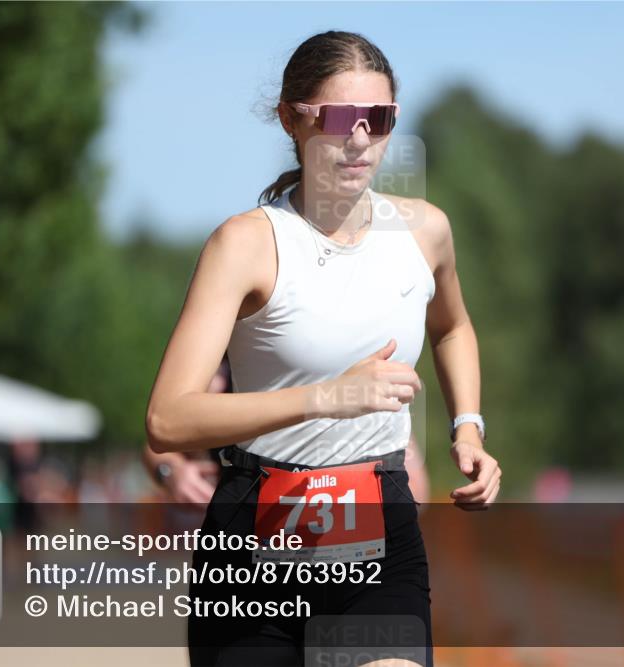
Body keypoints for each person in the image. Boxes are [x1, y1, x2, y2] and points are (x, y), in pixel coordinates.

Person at [146, 30, 500, 667]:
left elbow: (453, 327)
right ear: (292, 117)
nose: (361, 138)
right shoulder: (245, 244)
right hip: (253, 536)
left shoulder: (425, 231)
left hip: (378, 525)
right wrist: (326, 398)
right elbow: (168, 417)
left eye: (380, 118)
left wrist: (468, 430)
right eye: (340, 118)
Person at [142, 356, 432, 507]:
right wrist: (172, 473)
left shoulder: (356, 382)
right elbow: (159, 442)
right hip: (243, 546)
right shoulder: (222, 383)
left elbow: (417, 489)